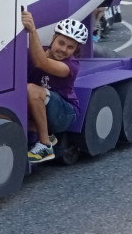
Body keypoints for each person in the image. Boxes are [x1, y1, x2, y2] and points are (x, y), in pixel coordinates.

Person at [23, 12, 87, 164]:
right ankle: (48, 135)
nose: (64, 50)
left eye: (70, 47)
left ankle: (45, 145)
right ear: (53, 39)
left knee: (32, 89)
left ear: (75, 50)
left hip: (65, 113)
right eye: (61, 43)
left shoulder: (71, 66)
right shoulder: (34, 53)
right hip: (44, 110)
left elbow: (41, 63)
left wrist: (32, 30)